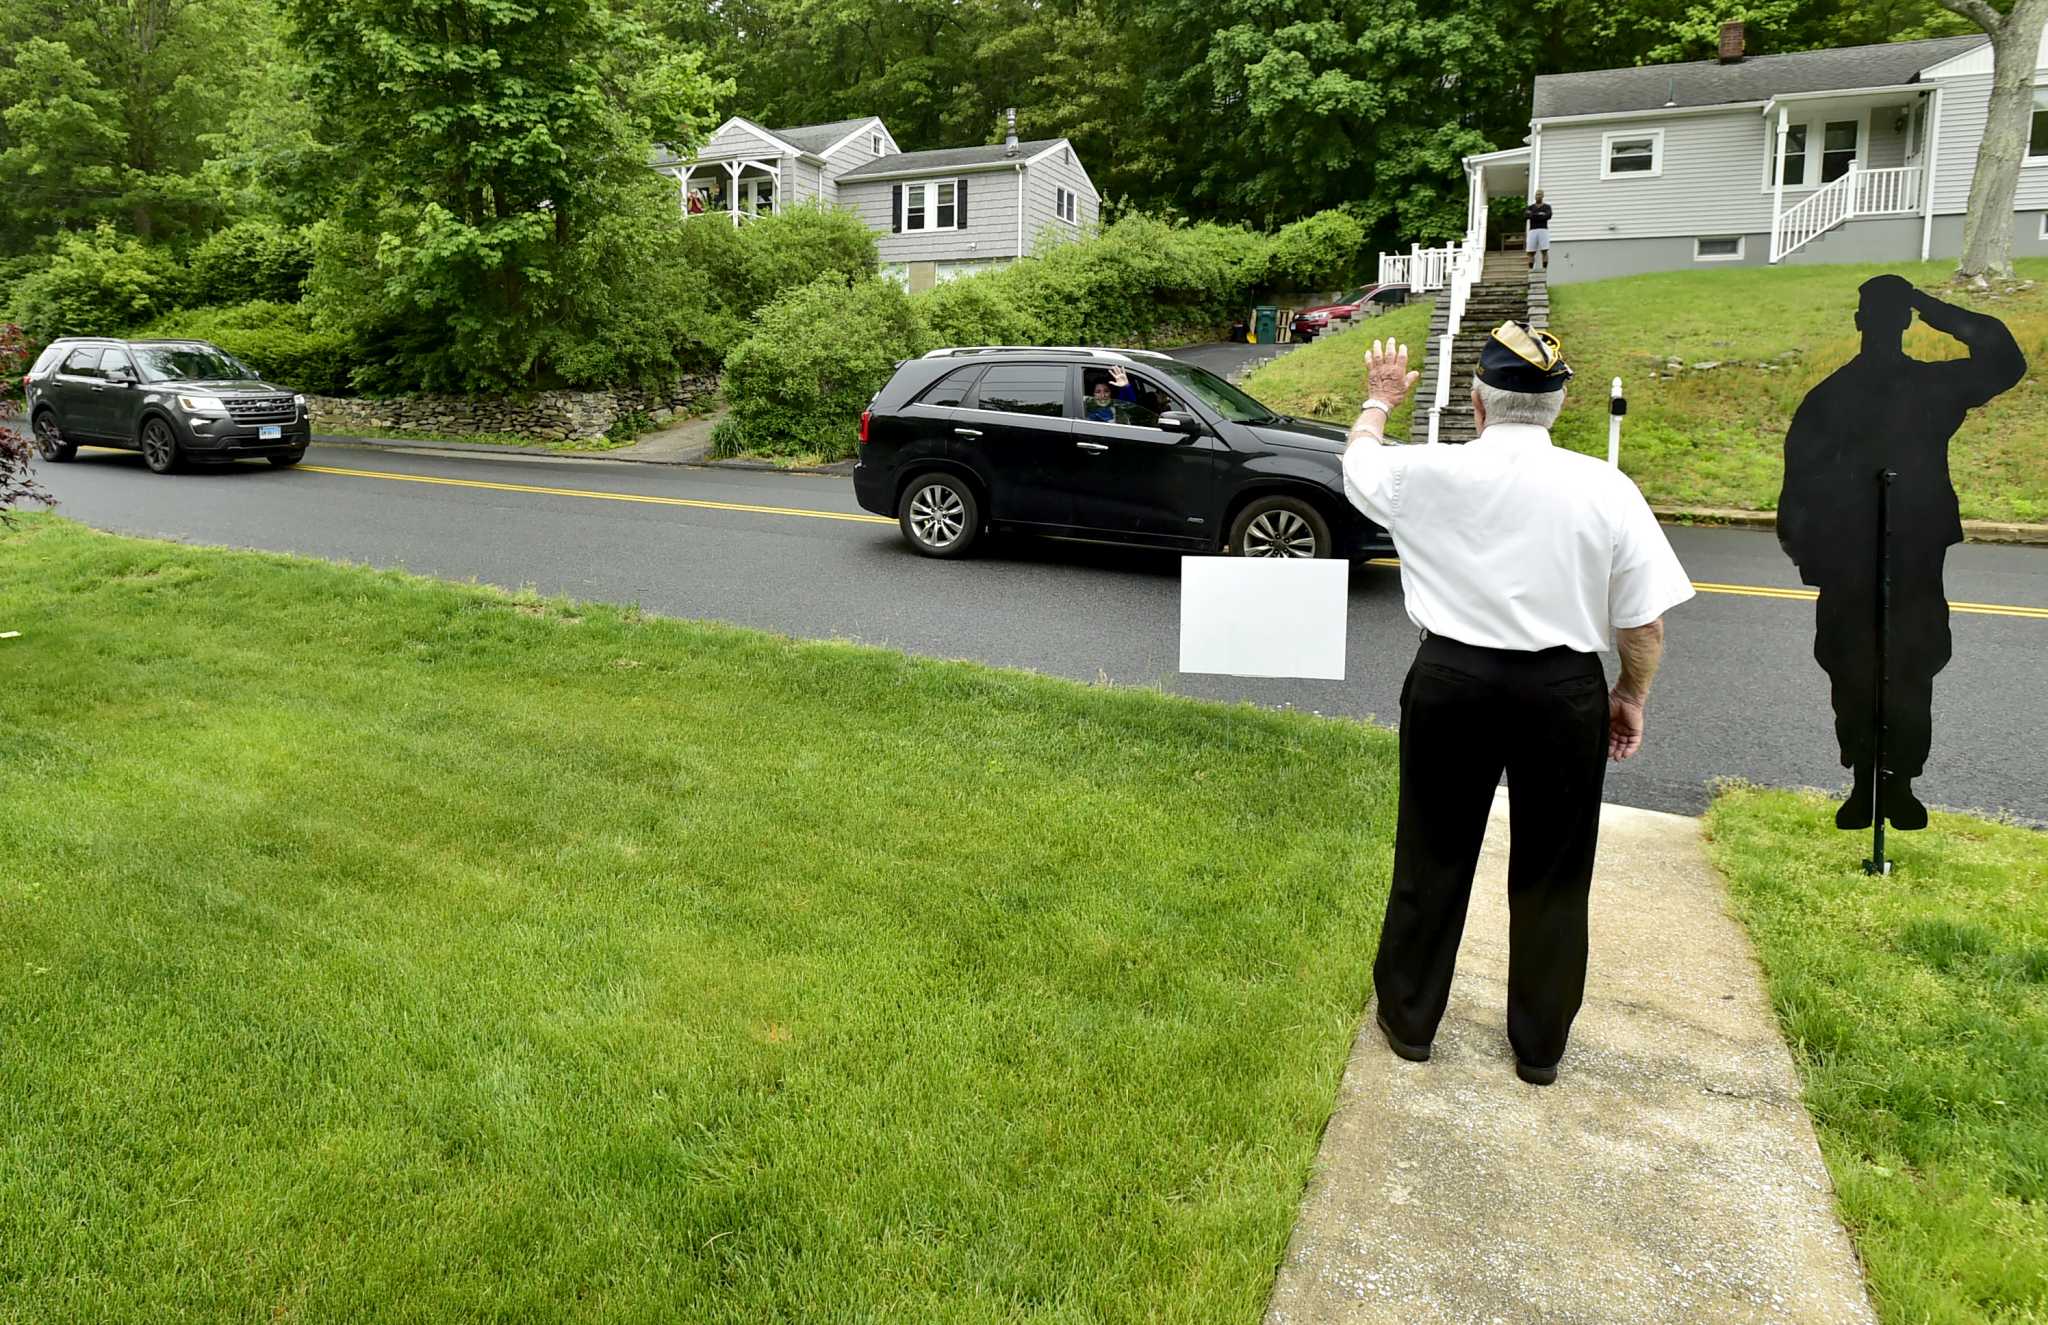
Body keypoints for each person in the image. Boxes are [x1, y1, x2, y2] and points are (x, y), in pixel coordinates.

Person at [1341, 325, 1694, 1086]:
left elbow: (1359, 461)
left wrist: (1380, 399)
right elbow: (1644, 624)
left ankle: (1409, 1021)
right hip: (1562, 689)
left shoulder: (1423, 472)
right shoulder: (1607, 488)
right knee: (1555, 868)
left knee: (1431, 851)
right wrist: (1629, 695)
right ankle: (1539, 1046)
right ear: (1558, 407)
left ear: (1477, 403)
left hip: (1451, 679)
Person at [1777, 276, 2024, 831]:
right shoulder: (1832, 398)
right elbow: (1799, 482)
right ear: (1867, 322)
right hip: (1848, 557)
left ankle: (1901, 783)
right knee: (1850, 667)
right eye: (1886, 311)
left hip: (1914, 555)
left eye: (1895, 312)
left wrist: (1931, 305)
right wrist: (1809, 556)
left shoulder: (1927, 387)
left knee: (1912, 664)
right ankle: (1864, 781)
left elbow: (2007, 362)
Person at [1525, 191, 1552, 270]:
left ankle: (1544, 269)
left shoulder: (1547, 207)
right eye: (1536, 195)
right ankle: (1531, 269)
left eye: (1539, 194)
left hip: (1543, 230)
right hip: (1532, 230)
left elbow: (1548, 216)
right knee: (1531, 252)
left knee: (1544, 250)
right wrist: (1540, 215)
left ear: (1543, 196)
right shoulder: (1530, 207)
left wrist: (1533, 215)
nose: (1538, 196)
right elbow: (1526, 216)